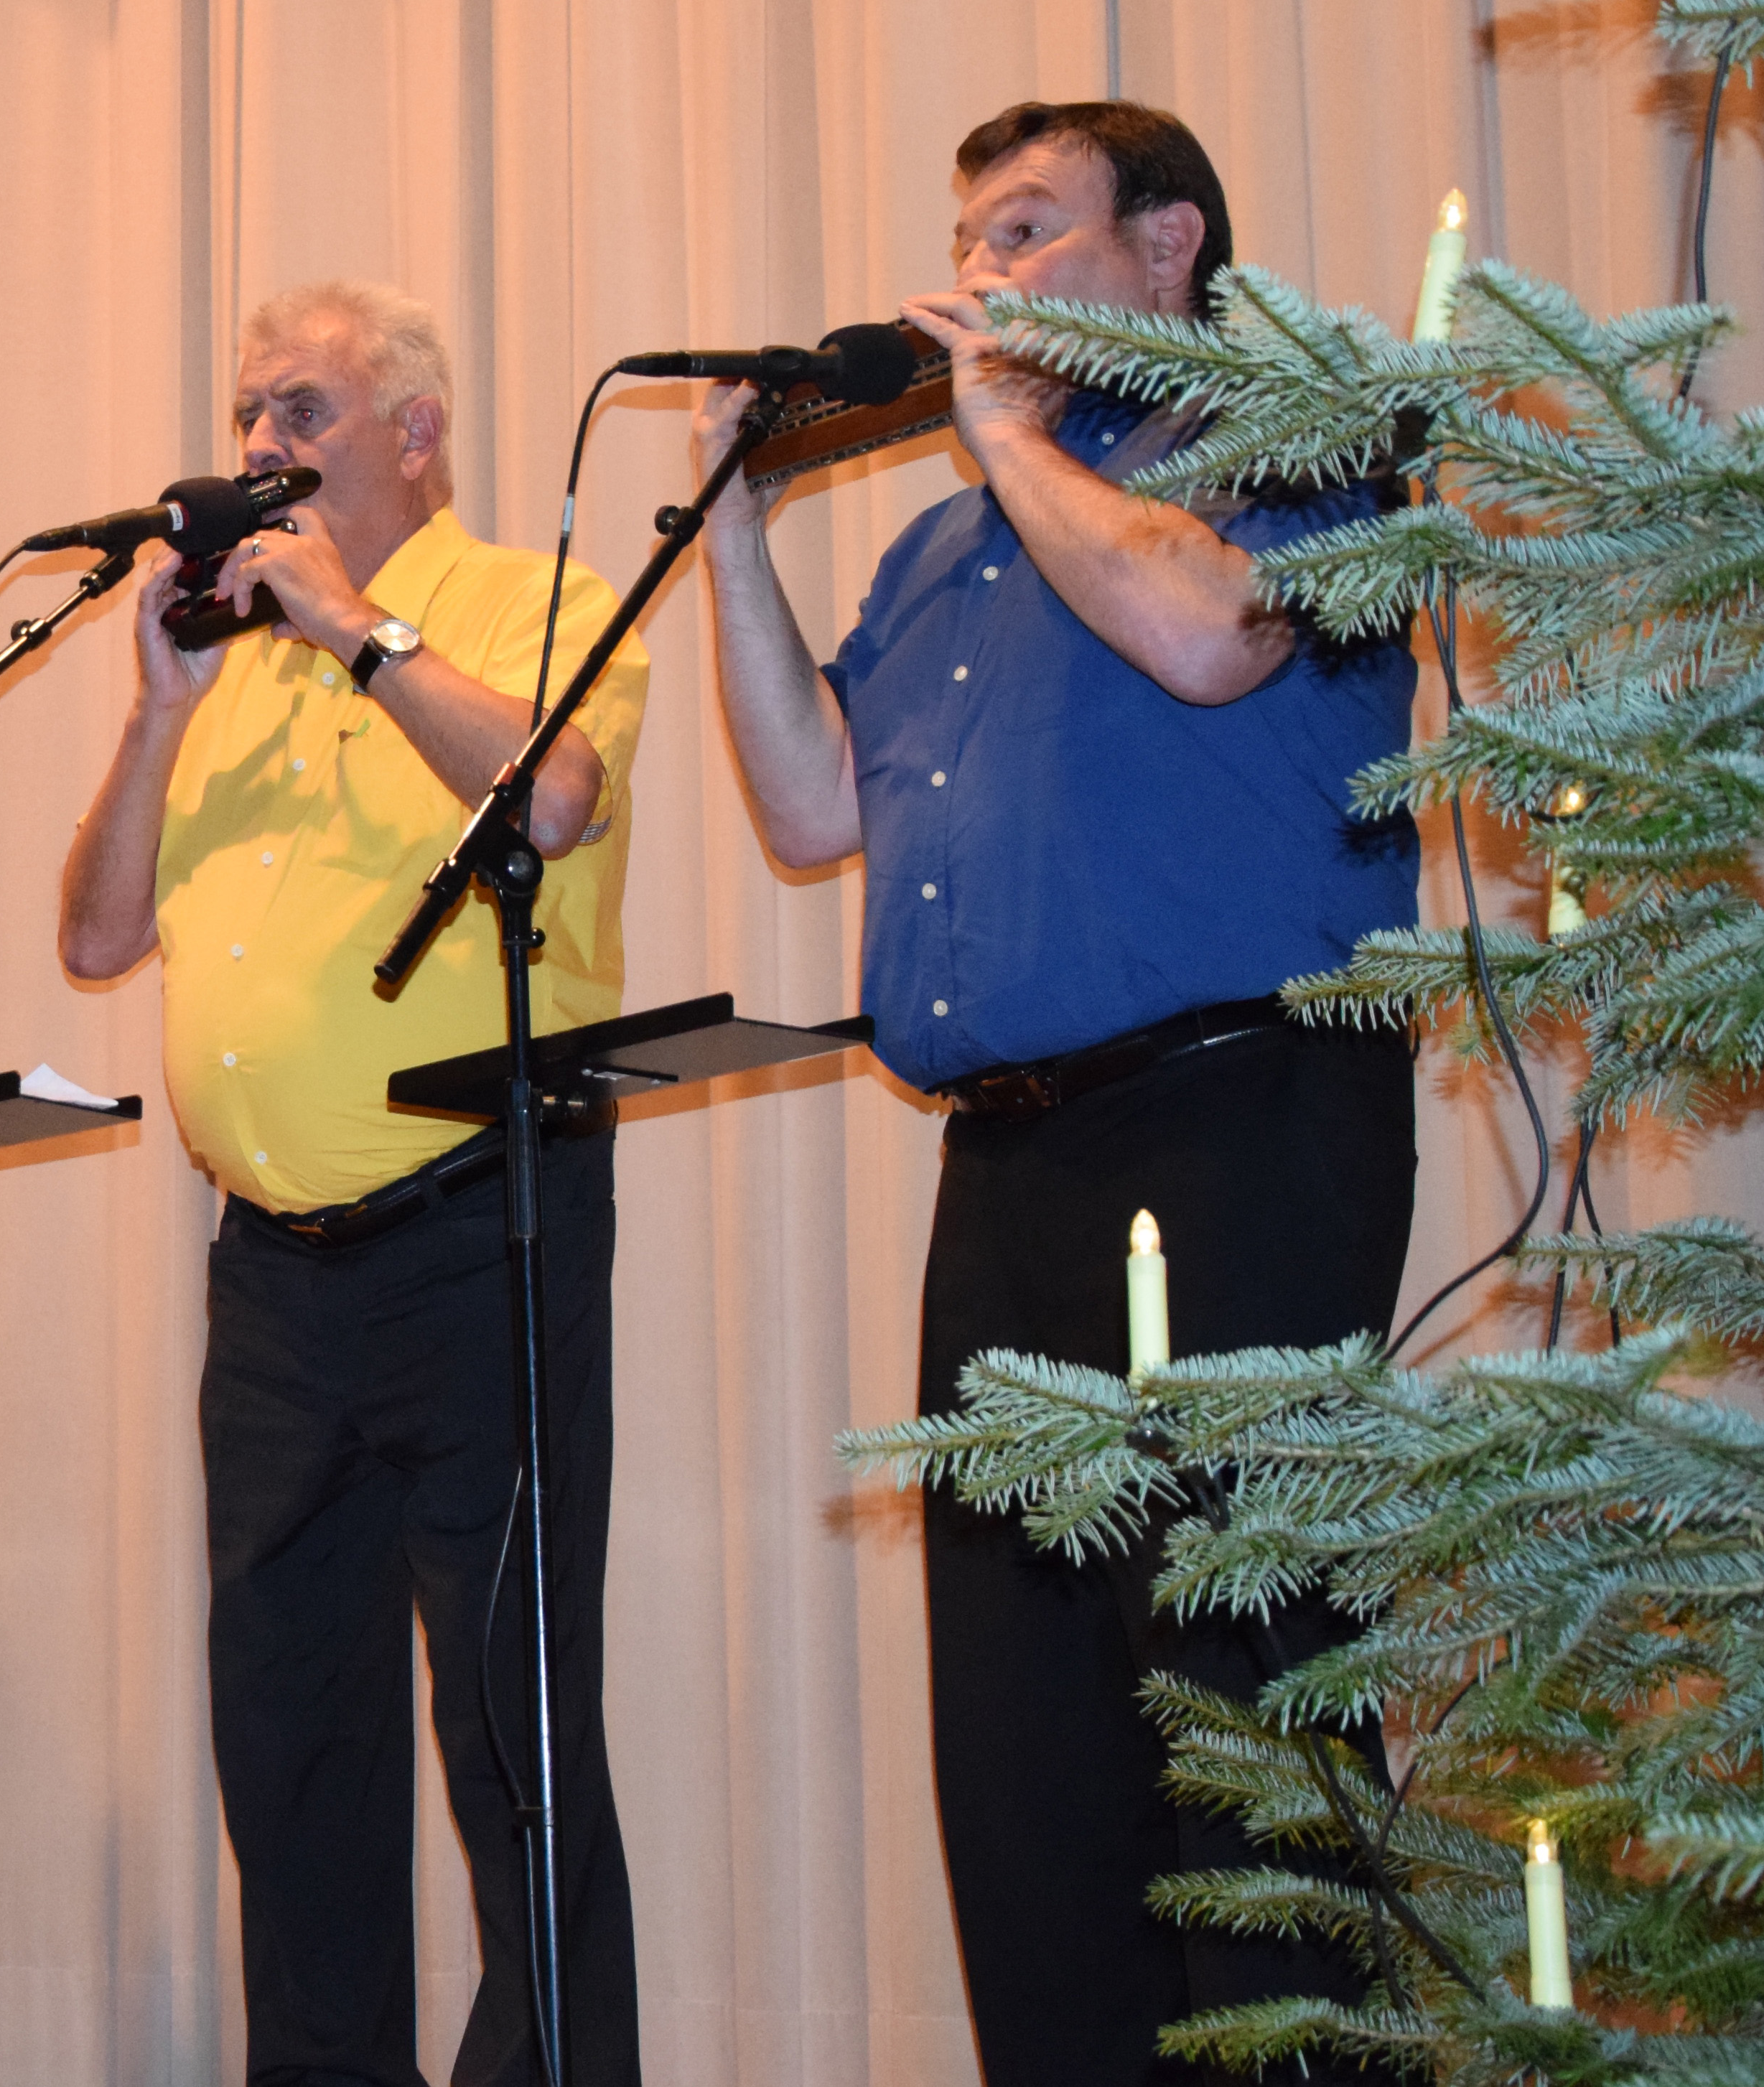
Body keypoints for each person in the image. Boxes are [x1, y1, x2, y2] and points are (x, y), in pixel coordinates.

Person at [693, 101, 1422, 2086]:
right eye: (968, 237)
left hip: (1234, 1130)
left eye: (1025, 230)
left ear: (1168, 243)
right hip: (1000, 1174)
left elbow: (1205, 633)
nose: (981, 273)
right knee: (1023, 1752)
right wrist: (731, 544)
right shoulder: (941, 548)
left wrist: (1003, 431)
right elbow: (807, 803)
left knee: (1242, 1708)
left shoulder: (1299, 439)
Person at [59, 279, 651, 2087]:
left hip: (482, 1229)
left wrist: (352, 627)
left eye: (300, 409)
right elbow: (93, 934)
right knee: (290, 1747)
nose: (259, 446)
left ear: (415, 430)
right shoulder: (227, 662)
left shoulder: (527, 600)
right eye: (248, 412)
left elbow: (549, 800)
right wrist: (161, 711)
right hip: (272, 1287)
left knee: (510, 1737)